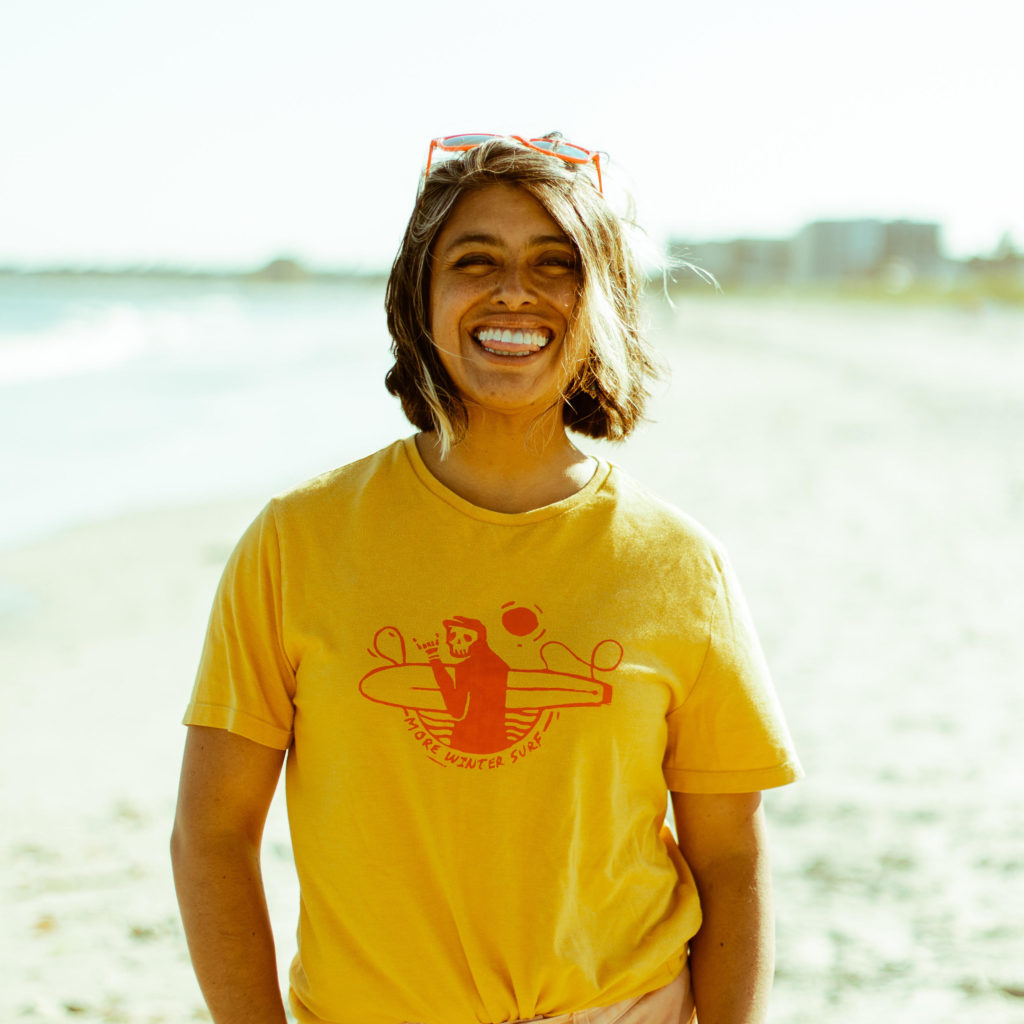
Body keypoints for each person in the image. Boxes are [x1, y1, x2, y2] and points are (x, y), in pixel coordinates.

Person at [171, 133, 803, 1024]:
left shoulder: (678, 562)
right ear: (418, 296)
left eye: (557, 264)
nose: (515, 292)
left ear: (605, 305)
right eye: (477, 260)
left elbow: (732, 857)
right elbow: (212, 834)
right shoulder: (296, 541)